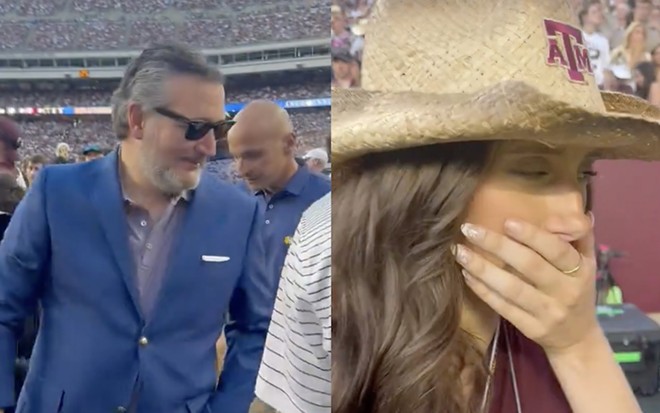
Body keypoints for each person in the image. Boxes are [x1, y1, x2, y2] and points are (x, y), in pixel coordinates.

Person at [332, 1, 660, 413]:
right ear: (422, 188)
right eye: (534, 171)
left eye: (583, 173)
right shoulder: (329, 349)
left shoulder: (551, 332)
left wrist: (579, 344)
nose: (576, 219)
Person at [0, 43, 274, 413]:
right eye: (194, 129)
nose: (210, 147)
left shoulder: (239, 214)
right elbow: (4, 305)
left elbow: (257, 329)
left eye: (218, 127)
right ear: (138, 120)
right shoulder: (56, 193)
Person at [228, 100, 330, 280]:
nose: (241, 170)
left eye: (252, 155)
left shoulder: (330, 200)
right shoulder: (235, 201)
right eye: (236, 157)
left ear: (289, 143)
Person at [255, 193, 331, 413]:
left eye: (253, 156)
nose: (241, 169)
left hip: (290, 346)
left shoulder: (318, 209)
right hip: (281, 342)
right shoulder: (318, 215)